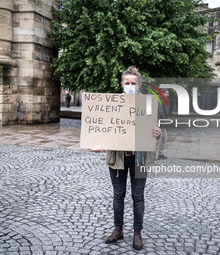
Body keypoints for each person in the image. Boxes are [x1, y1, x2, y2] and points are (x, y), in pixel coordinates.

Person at [93, 66, 161, 250]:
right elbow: (103, 128)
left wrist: (158, 132)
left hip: (140, 158)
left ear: (139, 85)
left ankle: (137, 233)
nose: (130, 86)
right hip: (118, 158)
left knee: (138, 196)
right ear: (122, 84)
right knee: (118, 195)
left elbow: (158, 129)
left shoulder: (148, 104)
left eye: (134, 83)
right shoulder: (112, 103)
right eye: (127, 83)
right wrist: (97, 143)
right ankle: (118, 229)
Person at [156, 89, 170, 160]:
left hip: (162, 121)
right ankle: (158, 154)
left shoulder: (162, 99)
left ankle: (159, 153)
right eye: (166, 93)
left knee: (164, 137)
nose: (168, 95)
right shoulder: (161, 100)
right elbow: (161, 112)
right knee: (162, 137)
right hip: (161, 122)